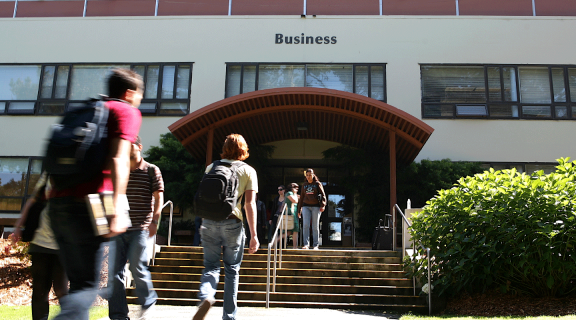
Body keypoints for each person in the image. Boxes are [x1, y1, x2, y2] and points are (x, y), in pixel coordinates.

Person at [48, 68, 143, 320]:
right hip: (91, 202)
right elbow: (119, 158)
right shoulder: (125, 110)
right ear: (130, 92)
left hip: (58, 202)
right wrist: (118, 209)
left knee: (80, 284)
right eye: (139, 96)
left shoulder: (85, 110)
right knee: (88, 290)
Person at [193, 133, 259, 320]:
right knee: (231, 270)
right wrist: (254, 235)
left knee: (211, 267)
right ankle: (229, 316)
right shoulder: (248, 170)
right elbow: (249, 204)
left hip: (208, 222)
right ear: (243, 149)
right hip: (233, 222)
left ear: (225, 148)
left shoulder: (212, 166)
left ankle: (206, 296)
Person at [108, 136, 164, 320]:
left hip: (140, 228)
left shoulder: (151, 170)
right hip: (119, 228)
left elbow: (159, 197)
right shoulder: (120, 170)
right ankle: (118, 315)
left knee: (137, 267)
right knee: (114, 274)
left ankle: (148, 301)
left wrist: (155, 221)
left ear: (139, 146)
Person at [11, 172, 68, 320]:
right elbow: (32, 200)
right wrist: (18, 225)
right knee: (40, 291)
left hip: (63, 244)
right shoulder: (48, 173)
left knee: (61, 290)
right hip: (40, 241)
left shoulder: (76, 174)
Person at [297, 168, 326, 250]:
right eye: (307, 175)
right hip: (306, 206)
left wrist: (323, 205)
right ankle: (306, 244)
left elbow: (323, 195)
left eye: (310, 175)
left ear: (313, 175)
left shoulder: (317, 183)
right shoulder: (304, 185)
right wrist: (299, 210)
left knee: (315, 226)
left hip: (316, 207)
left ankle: (315, 245)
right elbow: (302, 197)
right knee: (305, 225)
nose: (308, 177)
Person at [285, 183, 300, 249]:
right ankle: (273, 242)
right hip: (291, 214)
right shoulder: (289, 193)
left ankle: (295, 246)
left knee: (289, 232)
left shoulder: (293, 194)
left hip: (294, 214)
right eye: (295, 187)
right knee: (294, 230)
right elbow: (295, 201)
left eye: (297, 188)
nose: (297, 189)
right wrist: (295, 194)